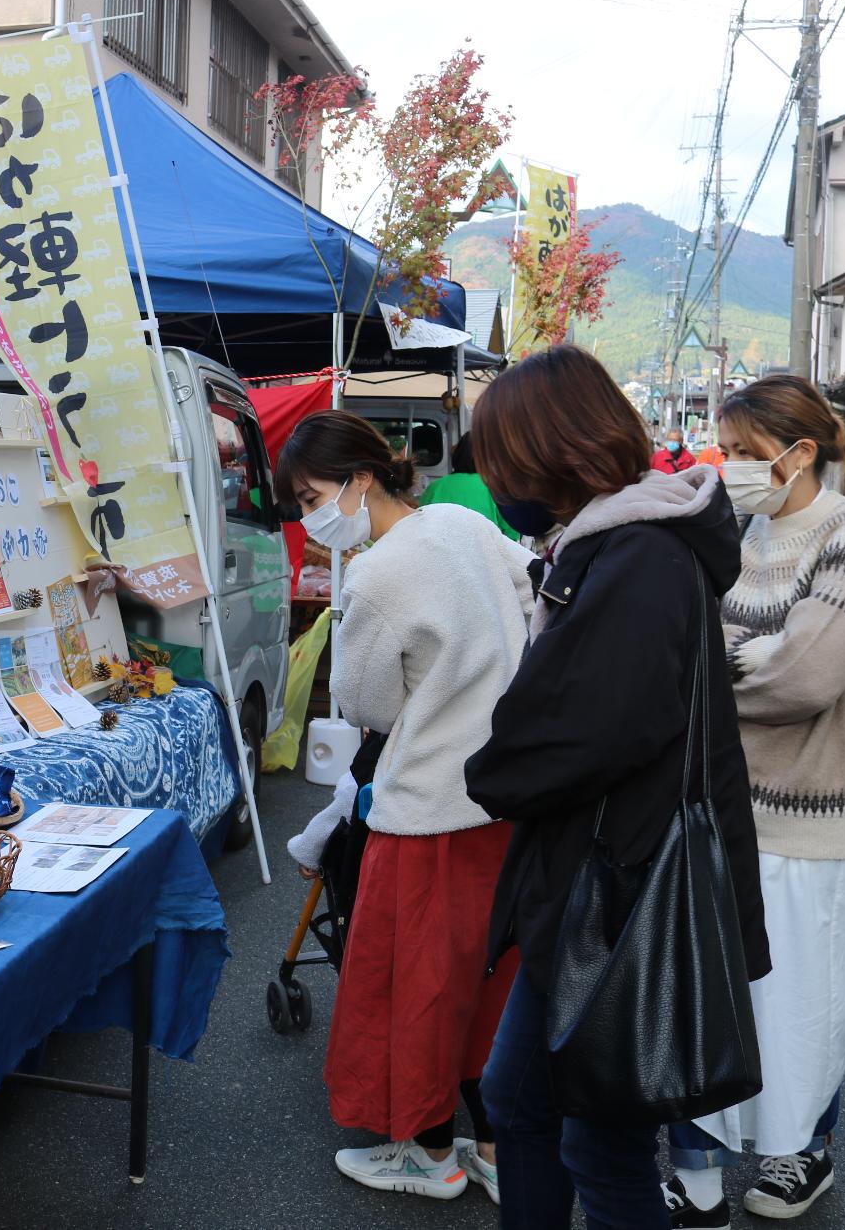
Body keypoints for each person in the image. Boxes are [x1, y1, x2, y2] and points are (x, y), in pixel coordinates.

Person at [463, 345, 770, 1229]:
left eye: (500, 459)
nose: (496, 480)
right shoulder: (628, 546)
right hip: (601, 884)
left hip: (622, 898)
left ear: (547, 453)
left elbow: (584, 727)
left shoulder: (637, 559)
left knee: (601, 1148)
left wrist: (495, 767)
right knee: (532, 1107)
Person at [275, 410, 533, 1206]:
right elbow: (532, 595)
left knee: (414, 985)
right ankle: (493, 1143)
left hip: (423, 806)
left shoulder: (377, 574)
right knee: (491, 978)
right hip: (505, 798)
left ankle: (427, 1151)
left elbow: (362, 700)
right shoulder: (463, 522)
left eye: (313, 494)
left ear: (359, 479)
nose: (312, 516)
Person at [662, 376, 845, 1227]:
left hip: (816, 820)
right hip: (724, 811)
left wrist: (722, 665)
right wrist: (746, 653)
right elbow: (692, 641)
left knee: (804, 1009)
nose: (733, 469)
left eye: (748, 454)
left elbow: (807, 676)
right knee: (710, 1003)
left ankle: (804, 1153)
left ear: (799, 454)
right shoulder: (743, 531)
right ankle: (696, 1173)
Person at [417, 435, 514, 537]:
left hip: (440, 550)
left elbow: (420, 525)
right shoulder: (496, 488)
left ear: (457, 455)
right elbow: (511, 534)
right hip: (484, 551)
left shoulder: (435, 488)